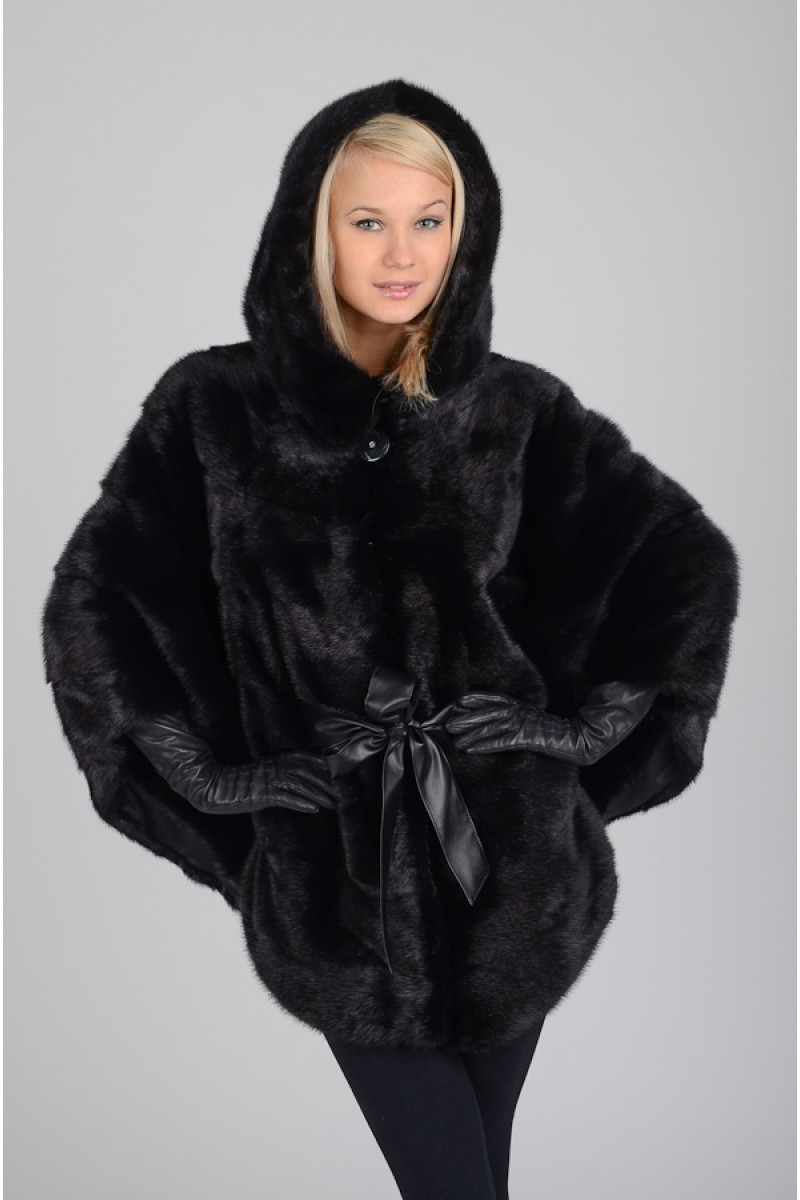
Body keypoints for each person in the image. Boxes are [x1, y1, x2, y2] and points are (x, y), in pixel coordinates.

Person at [41, 80, 741, 1199]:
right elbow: (100, 604)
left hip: (509, 872)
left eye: (430, 219)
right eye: (368, 219)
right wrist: (209, 780)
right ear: (311, 229)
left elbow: (681, 565)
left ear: (469, 231)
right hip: (335, 881)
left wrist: (579, 734)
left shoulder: (516, 410)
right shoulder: (212, 408)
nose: (403, 253)